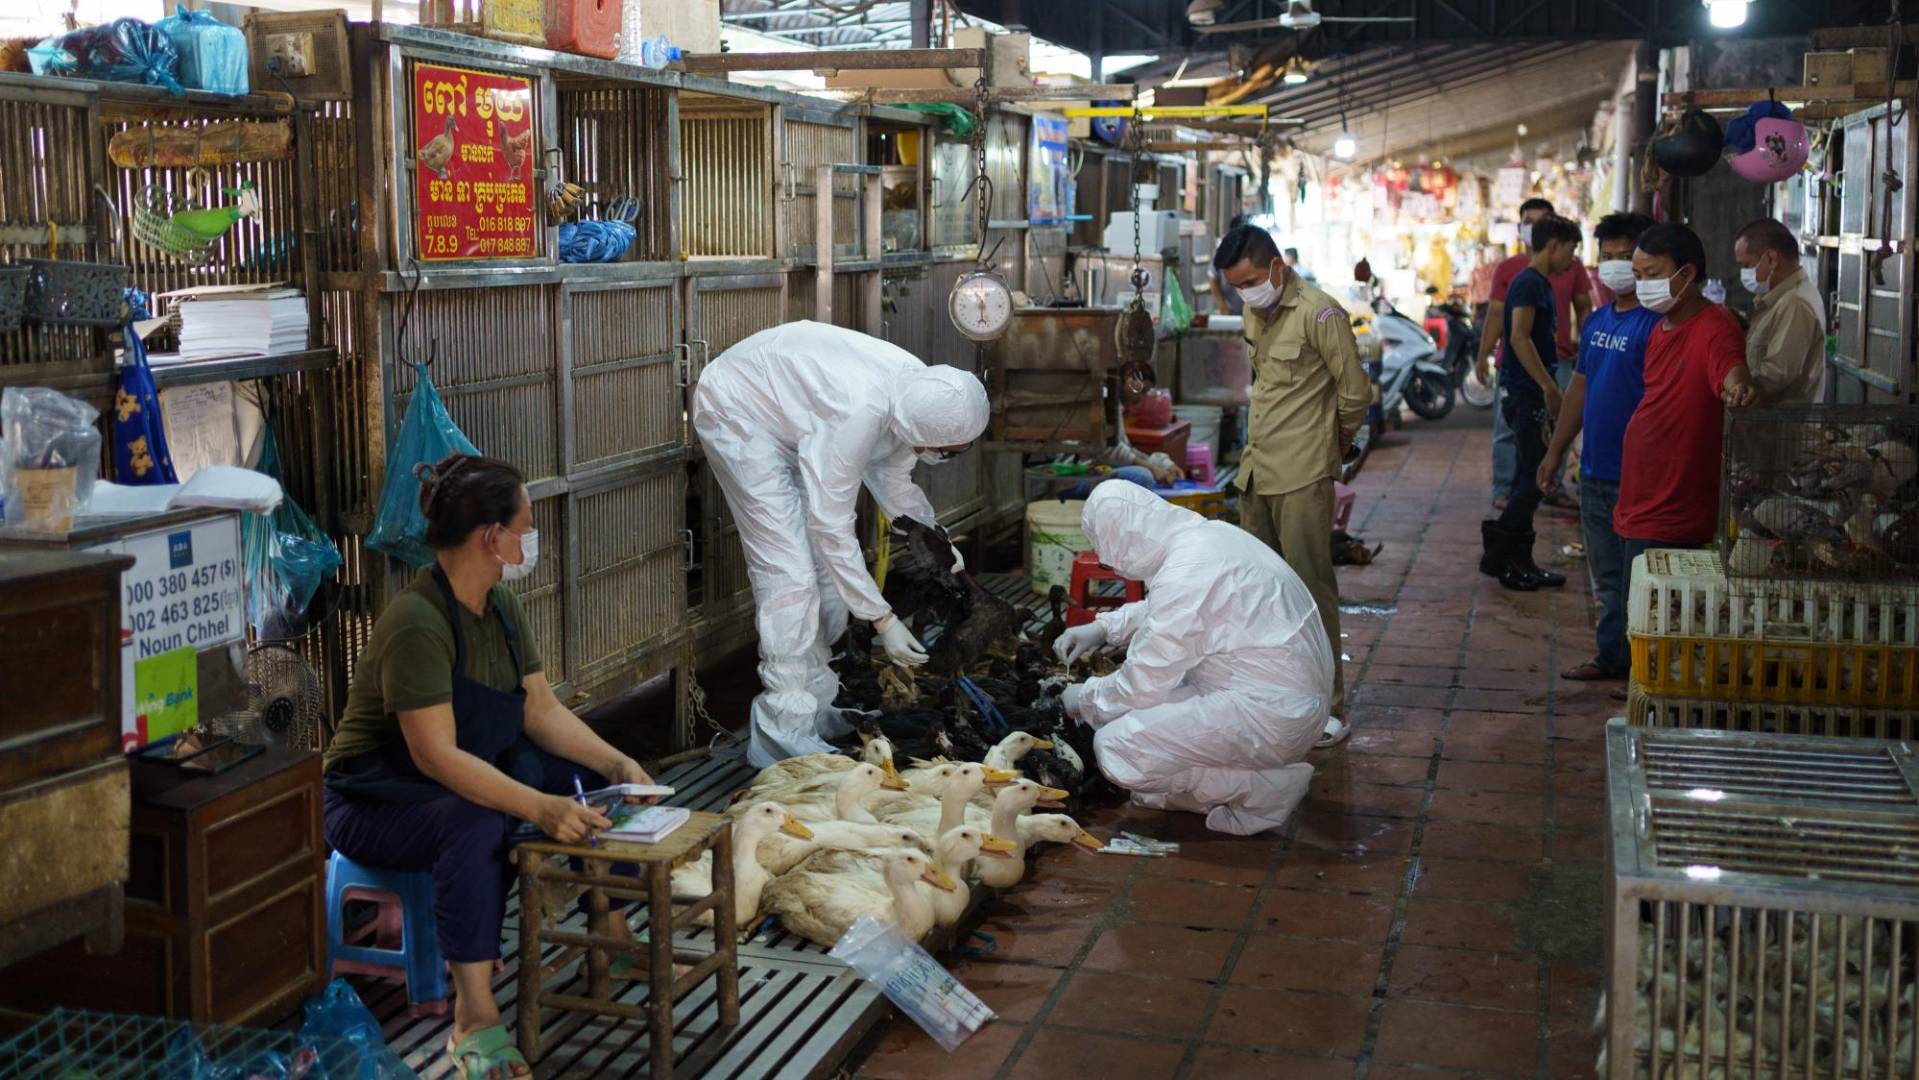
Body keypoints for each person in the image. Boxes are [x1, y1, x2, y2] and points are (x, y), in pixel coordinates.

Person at [323, 454, 658, 1079]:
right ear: (491, 537)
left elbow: (539, 709)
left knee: (584, 784)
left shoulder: (501, 606)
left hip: (450, 778)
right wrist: (537, 807)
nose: (531, 539)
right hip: (372, 801)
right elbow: (435, 755)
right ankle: (473, 1017)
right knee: (477, 823)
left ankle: (611, 942)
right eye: (526, 525)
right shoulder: (418, 623)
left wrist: (619, 763)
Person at [691, 321, 989, 768]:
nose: (948, 458)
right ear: (925, 431)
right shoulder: (860, 414)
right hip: (740, 410)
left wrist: (937, 539)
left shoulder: (922, 394)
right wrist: (882, 619)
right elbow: (831, 527)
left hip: (796, 415)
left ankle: (816, 706)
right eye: (949, 450)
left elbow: (892, 476)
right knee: (789, 574)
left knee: (828, 580)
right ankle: (782, 731)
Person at [1053, 482, 1333, 835]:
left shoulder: (1187, 570)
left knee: (1117, 748)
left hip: (1269, 713)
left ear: (1123, 541)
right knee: (1132, 724)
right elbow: (1173, 610)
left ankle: (1264, 789)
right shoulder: (1206, 538)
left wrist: (1084, 697)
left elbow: (1142, 683)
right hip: (1280, 700)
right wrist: (1104, 628)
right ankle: (1245, 777)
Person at [1212, 223, 1371, 747]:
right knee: (1260, 593)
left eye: (1253, 280)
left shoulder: (1321, 313)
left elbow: (1354, 394)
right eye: (1238, 286)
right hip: (1257, 469)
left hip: (1302, 472)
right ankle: (1274, 696)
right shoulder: (1253, 311)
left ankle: (1330, 708)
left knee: (1309, 590)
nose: (1247, 292)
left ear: (1277, 267)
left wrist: (1333, 446)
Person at [1537, 212, 1660, 680]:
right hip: (1595, 472)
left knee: (1638, 582)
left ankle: (1643, 673)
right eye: (1604, 258)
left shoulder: (1657, 327)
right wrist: (1555, 453)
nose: (1613, 267)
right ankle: (1612, 657)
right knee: (1606, 579)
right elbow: (1580, 390)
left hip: (1642, 476)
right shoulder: (1597, 323)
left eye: (1623, 257)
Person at [1616, 223, 1760, 571]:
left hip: (1672, 512)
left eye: (1653, 274)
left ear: (1688, 273)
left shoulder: (1715, 326)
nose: (1644, 286)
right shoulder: (1659, 327)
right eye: (1638, 275)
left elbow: (1730, 368)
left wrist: (1738, 386)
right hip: (1641, 501)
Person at [1481, 215, 1582, 590]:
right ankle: (1501, 560)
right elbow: (1519, 339)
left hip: (1531, 393)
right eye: (1571, 249)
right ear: (1553, 245)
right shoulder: (1528, 284)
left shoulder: (1537, 283)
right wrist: (1548, 387)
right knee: (1531, 480)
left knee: (1531, 479)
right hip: (1526, 396)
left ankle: (1519, 560)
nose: (1572, 259)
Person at [1475, 198, 1594, 506]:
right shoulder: (1518, 274)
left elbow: (1583, 308)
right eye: (1531, 221)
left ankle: (1544, 486)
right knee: (1513, 432)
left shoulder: (1566, 269)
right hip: (1523, 372)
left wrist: (1588, 348)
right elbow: (1512, 331)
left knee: (1557, 428)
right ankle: (1509, 492)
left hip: (1560, 360)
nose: (1572, 257)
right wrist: (1483, 355)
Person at [1733, 217, 1827, 404]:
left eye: (1746, 265)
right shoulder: (1779, 299)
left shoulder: (1795, 303)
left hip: (1782, 429)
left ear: (1771, 259)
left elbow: (1777, 374)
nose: (1744, 273)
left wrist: (1736, 387)